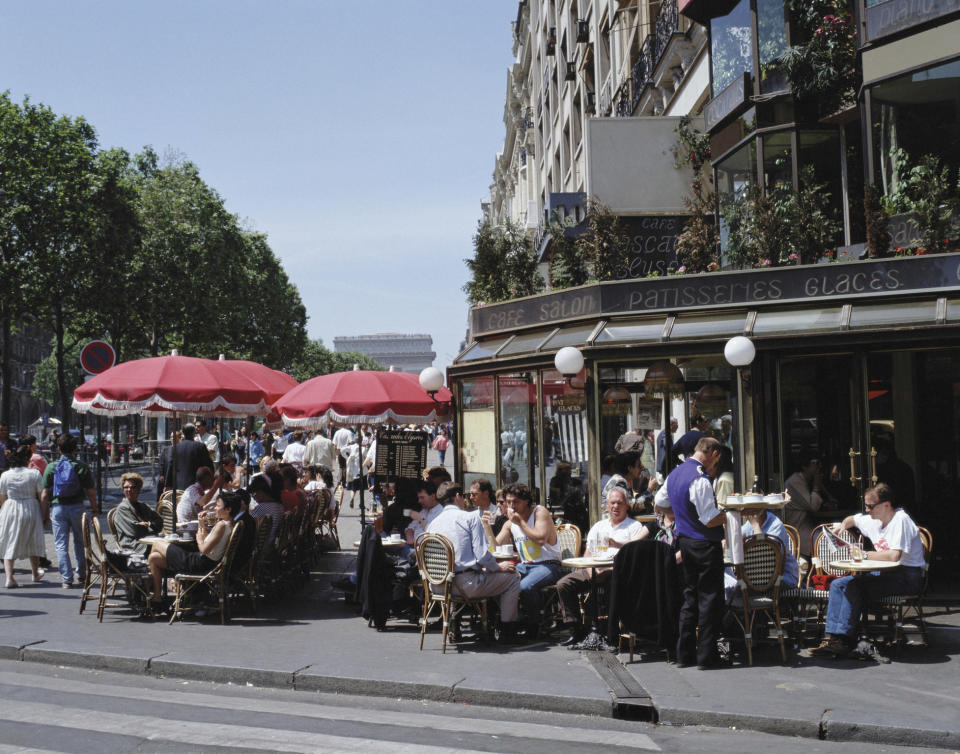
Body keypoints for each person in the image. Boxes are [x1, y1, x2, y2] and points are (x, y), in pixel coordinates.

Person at [809, 483, 925, 658]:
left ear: (886, 505)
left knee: (854, 586)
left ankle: (844, 639)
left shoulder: (900, 520)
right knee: (838, 584)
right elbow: (853, 519)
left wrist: (864, 555)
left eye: (871, 506)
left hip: (907, 576)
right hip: (886, 573)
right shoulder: (874, 520)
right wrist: (842, 526)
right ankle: (832, 638)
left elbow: (894, 556)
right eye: (866, 506)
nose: (867, 510)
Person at [654, 436, 725, 668]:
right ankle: (707, 657)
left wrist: (678, 513)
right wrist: (734, 514)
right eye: (717, 459)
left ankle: (684, 654)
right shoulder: (700, 478)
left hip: (685, 542)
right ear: (714, 454)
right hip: (705, 543)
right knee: (710, 601)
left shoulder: (675, 473)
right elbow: (710, 519)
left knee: (690, 598)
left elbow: (659, 501)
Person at [425, 480, 523, 643]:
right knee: (513, 578)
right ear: (457, 496)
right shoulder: (469, 518)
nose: (466, 500)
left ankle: (455, 627)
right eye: (464, 496)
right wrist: (497, 567)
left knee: (471, 573)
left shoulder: (432, 524)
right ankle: (507, 631)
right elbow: (482, 555)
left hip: (437, 585)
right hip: (464, 585)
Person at [556, 488, 645, 645]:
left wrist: (608, 570)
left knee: (613, 586)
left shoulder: (634, 527)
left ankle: (611, 632)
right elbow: (588, 552)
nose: (615, 507)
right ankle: (576, 629)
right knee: (564, 584)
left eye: (619, 503)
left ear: (627, 505)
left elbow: (634, 558)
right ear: (606, 506)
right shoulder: (598, 526)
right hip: (593, 569)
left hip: (617, 573)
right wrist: (591, 569)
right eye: (612, 503)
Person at [482, 482, 562, 639]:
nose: (512, 506)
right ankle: (516, 619)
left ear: (526, 501)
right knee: (494, 581)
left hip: (548, 564)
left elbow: (540, 539)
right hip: (525, 566)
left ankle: (535, 624)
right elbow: (495, 548)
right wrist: (487, 527)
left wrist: (521, 523)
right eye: (509, 502)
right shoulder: (510, 522)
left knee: (525, 587)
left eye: (516, 502)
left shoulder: (539, 512)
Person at [147, 491, 240, 609]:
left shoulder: (221, 525)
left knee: (156, 543)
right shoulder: (230, 524)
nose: (215, 508)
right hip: (207, 563)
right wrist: (201, 524)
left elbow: (204, 549)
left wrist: (198, 538)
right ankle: (157, 597)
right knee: (153, 558)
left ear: (228, 509)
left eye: (218, 505)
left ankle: (147, 590)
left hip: (199, 563)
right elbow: (208, 541)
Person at [41, 434, 98, 588]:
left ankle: (67, 578)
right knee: (80, 541)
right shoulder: (82, 467)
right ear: (76, 449)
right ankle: (81, 574)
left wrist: (44, 514)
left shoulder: (51, 467)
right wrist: (95, 509)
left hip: (58, 508)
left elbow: (45, 494)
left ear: (58, 449)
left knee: (60, 544)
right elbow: (91, 492)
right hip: (78, 507)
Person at [0, 441, 47, 587]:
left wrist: (4, 511)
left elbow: (2, 497)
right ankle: (35, 573)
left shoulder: (5, 475)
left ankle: (9, 577)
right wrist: (45, 514)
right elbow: (42, 496)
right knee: (34, 538)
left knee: (9, 540)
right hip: (30, 506)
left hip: (11, 506)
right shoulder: (34, 474)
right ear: (28, 459)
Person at [784, 456, 827, 558]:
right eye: (815, 463)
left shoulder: (805, 480)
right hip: (798, 529)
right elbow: (813, 506)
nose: (819, 466)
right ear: (804, 466)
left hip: (807, 526)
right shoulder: (795, 481)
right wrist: (816, 486)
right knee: (823, 542)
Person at [113, 473, 163, 556]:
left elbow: (160, 522)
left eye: (133, 487)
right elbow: (134, 531)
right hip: (133, 546)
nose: (129, 490)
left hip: (149, 541)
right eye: (126, 487)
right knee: (164, 550)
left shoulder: (142, 506)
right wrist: (150, 527)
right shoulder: (123, 508)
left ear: (139, 489)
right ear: (123, 489)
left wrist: (148, 524)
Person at [163, 424, 213, 493]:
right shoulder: (200, 447)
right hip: (197, 486)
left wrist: (167, 485)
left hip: (180, 486)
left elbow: (171, 466)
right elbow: (209, 466)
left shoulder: (175, 448)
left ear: (183, 434)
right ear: (194, 433)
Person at [248, 469, 286, 544]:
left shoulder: (262, 507)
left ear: (261, 492)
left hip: (262, 548)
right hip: (271, 546)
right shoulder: (279, 506)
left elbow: (249, 525)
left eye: (254, 494)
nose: (254, 497)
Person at [405, 481, 443, 545]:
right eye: (419, 498)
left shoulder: (441, 513)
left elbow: (434, 535)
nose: (419, 501)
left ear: (433, 496)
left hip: (428, 550)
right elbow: (409, 528)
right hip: (413, 547)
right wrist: (410, 539)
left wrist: (421, 519)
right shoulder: (423, 511)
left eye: (422, 497)